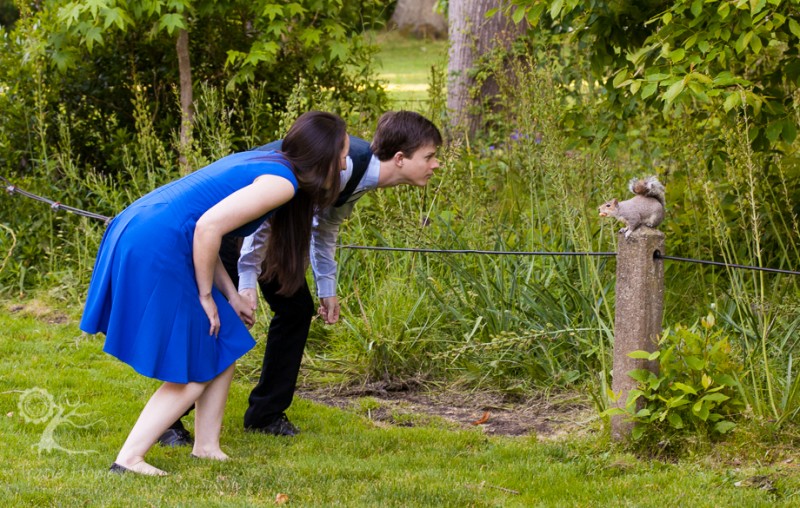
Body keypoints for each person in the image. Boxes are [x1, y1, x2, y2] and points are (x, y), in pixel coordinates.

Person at [80, 111, 348, 476]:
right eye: (343, 154)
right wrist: (207, 296)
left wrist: (231, 296)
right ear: (324, 157)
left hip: (150, 227)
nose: (347, 162)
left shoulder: (273, 164)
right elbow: (206, 229)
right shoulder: (282, 183)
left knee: (225, 338)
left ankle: (206, 446)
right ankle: (129, 459)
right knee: (199, 359)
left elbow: (205, 228)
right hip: (157, 239)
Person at [158, 111, 442, 443]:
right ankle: (168, 421)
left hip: (273, 237)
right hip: (229, 230)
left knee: (295, 309)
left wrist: (327, 289)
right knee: (215, 321)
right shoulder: (345, 162)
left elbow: (324, 229)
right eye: (430, 157)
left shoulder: (358, 175)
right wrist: (245, 282)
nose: (436, 165)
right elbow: (262, 217)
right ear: (400, 159)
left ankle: (265, 414)